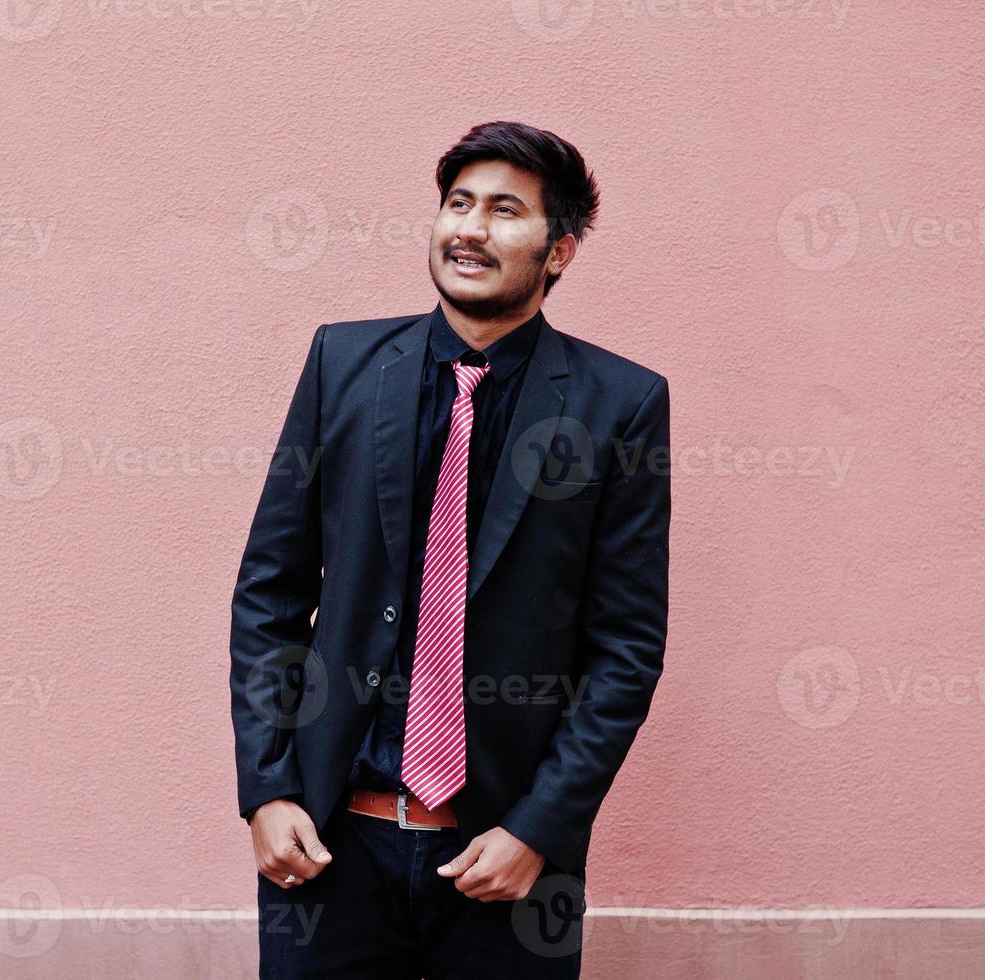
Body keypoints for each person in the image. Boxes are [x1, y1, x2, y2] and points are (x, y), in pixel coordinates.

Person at [229, 120, 670, 979]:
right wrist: (269, 789)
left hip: (504, 862)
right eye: (457, 204)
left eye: (505, 210)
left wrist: (539, 829)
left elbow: (624, 651)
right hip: (327, 844)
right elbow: (269, 596)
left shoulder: (620, 404)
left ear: (559, 251)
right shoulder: (342, 363)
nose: (468, 228)